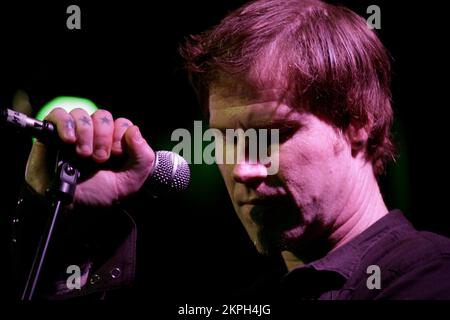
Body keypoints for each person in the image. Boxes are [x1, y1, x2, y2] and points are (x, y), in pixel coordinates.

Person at [12, 0, 450, 300]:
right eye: (227, 138)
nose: (244, 169)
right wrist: (67, 229)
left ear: (359, 126)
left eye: (275, 134)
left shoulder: (431, 278)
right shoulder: (249, 296)